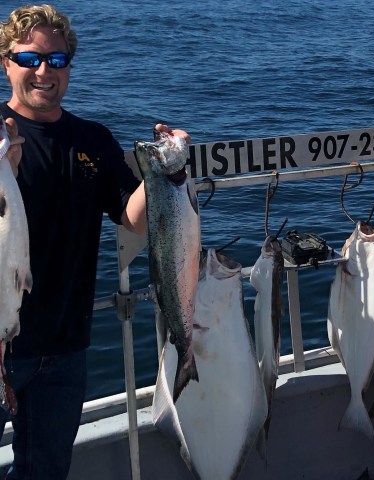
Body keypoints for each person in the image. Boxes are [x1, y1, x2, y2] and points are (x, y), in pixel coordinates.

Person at [0, 5, 190, 478]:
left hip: (64, 347)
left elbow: (131, 218)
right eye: (29, 59)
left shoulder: (93, 139)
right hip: (2, 342)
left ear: (69, 67)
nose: (43, 72)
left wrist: (165, 172)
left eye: (57, 61)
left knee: (44, 473)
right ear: (6, 62)